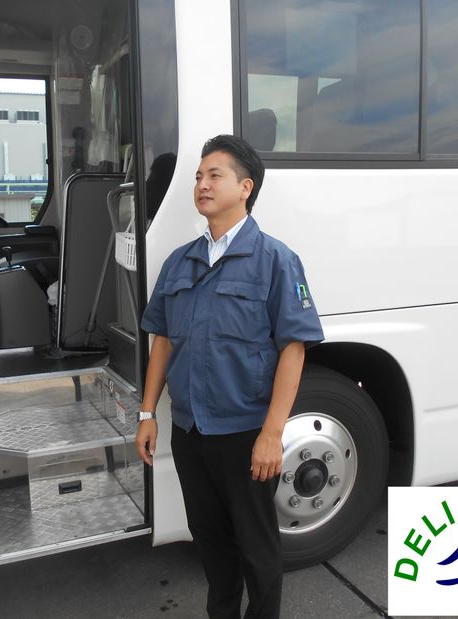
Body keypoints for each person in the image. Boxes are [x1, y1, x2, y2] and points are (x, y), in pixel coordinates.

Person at [137, 134, 324, 619]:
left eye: (214, 175)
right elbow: (163, 342)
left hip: (244, 434)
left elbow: (293, 350)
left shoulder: (275, 260)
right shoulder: (180, 261)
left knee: (257, 549)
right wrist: (147, 414)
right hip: (190, 431)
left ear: (245, 187)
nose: (202, 184)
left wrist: (272, 434)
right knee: (211, 543)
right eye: (199, 176)